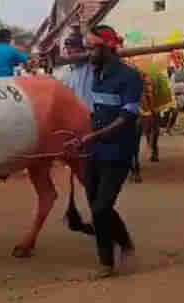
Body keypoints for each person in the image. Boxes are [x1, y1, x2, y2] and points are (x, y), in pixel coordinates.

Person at [62, 24, 141, 278]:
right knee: (97, 205)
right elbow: (95, 112)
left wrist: (90, 137)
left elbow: (126, 117)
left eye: (92, 47)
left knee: (100, 208)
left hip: (118, 150)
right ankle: (125, 244)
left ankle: (106, 263)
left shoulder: (130, 77)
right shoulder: (96, 72)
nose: (88, 52)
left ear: (108, 47)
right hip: (93, 149)